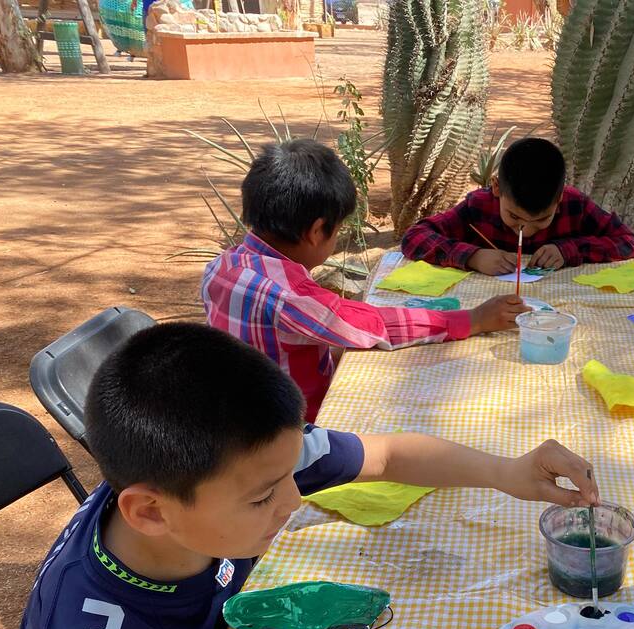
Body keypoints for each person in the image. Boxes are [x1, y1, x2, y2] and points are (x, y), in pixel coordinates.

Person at [15, 323, 600, 629]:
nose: (294, 501)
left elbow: (389, 454)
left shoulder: (233, 466)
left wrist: (506, 471)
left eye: (289, 478)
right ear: (150, 512)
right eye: (265, 497)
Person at [202, 138, 525, 422]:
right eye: (337, 230)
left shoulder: (221, 267)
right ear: (316, 231)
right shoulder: (290, 295)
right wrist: (471, 319)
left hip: (239, 413)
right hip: (295, 431)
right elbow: (371, 325)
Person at [400, 137, 634, 275]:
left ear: (559, 200)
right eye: (514, 217)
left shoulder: (574, 205)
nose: (525, 230)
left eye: (541, 221)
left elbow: (629, 243)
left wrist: (570, 250)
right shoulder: (480, 207)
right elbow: (414, 238)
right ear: (496, 188)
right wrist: (473, 257)